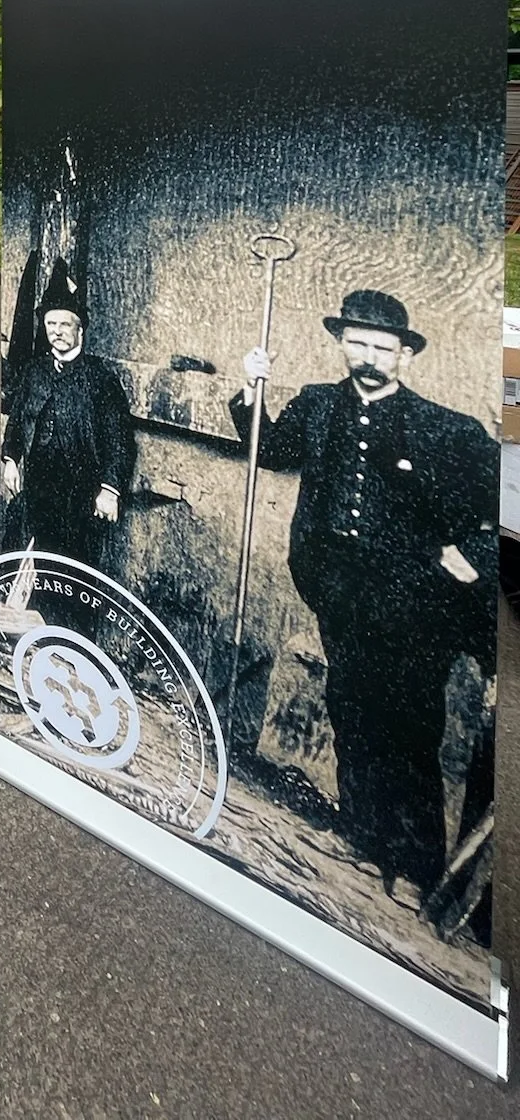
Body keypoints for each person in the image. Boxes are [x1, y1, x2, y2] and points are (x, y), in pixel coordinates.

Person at [232, 288, 497, 900]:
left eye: (382, 346)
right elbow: (269, 450)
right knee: (351, 706)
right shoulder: (318, 406)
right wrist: (253, 390)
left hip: (416, 606)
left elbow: (499, 503)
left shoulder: (445, 430)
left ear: (405, 354)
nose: (368, 355)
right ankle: (359, 836)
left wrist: (471, 559)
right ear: (341, 343)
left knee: (409, 725)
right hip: (340, 592)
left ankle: (415, 865)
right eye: (357, 343)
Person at [1, 259, 136, 574]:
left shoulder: (100, 378)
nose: (56, 332)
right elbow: (18, 419)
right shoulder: (35, 372)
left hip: (81, 493)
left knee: (78, 570)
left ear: (80, 329)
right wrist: (10, 459)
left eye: (64, 325)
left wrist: (110, 489)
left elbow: (119, 439)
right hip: (38, 489)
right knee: (38, 569)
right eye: (51, 325)